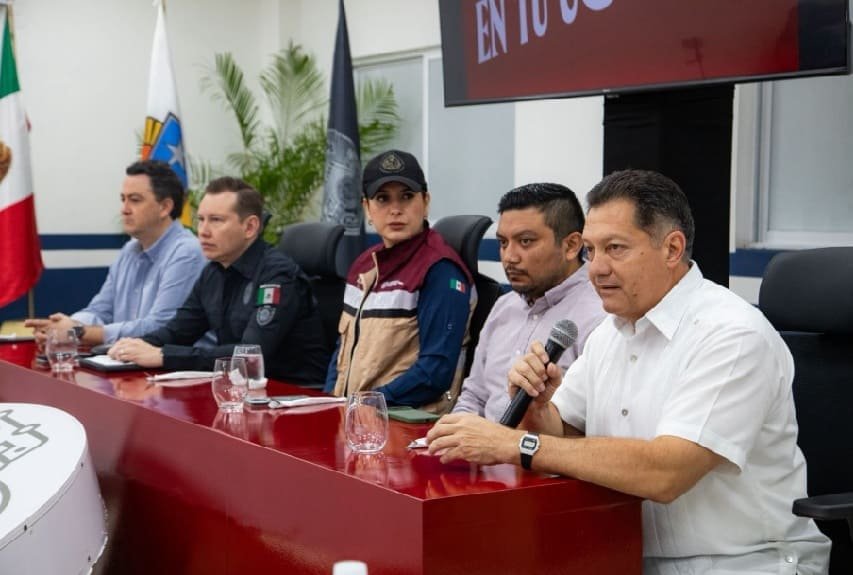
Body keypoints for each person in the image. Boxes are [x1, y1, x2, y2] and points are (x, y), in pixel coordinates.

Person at [427, 170, 831, 574]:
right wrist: (537, 409)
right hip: (624, 553)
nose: (596, 269)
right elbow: (560, 433)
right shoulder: (612, 331)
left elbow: (667, 473)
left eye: (615, 248)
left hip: (744, 563)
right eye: (590, 251)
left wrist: (516, 444)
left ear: (672, 249)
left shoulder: (731, 334)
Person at [108, 177, 329, 387]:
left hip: (293, 395)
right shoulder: (213, 272)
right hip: (240, 390)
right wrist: (134, 345)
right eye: (201, 219)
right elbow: (178, 331)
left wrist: (164, 355)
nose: (203, 231)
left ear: (250, 227)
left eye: (216, 220)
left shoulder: (277, 276)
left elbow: (251, 355)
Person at [324, 149, 476, 413]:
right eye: (383, 199)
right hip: (352, 416)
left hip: (405, 423)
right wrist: (328, 402)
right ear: (366, 208)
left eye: (406, 196)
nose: (395, 210)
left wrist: (366, 405)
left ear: (425, 202)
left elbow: (434, 373)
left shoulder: (440, 270)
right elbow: (342, 352)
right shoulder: (362, 265)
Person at [452, 183, 605, 421]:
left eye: (525, 241)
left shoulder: (601, 317)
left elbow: (592, 428)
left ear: (571, 245)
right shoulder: (503, 306)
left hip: (542, 444)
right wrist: (455, 432)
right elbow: (474, 396)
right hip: (477, 443)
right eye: (503, 243)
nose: (509, 257)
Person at [25, 160, 205, 347]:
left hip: (176, 363)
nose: (124, 209)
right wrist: (62, 327)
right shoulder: (129, 250)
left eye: (135, 200)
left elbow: (160, 327)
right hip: (128, 359)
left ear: (165, 207)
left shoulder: (187, 253)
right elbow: (100, 310)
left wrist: (78, 332)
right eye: (123, 199)